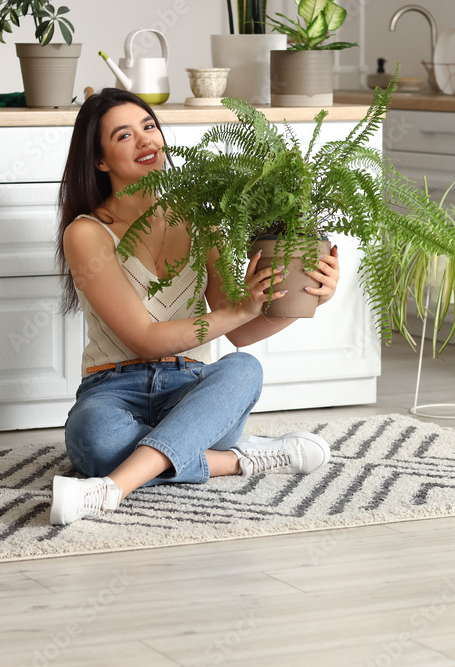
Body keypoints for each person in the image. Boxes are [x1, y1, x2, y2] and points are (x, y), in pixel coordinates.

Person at [49, 88, 341, 525]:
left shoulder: (202, 218)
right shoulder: (87, 233)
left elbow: (241, 332)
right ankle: (241, 460)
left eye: (149, 127)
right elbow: (144, 340)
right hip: (112, 391)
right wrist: (241, 310)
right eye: (124, 136)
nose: (146, 140)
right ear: (100, 160)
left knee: (244, 369)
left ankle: (111, 489)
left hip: (192, 389)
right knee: (95, 438)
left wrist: (311, 298)